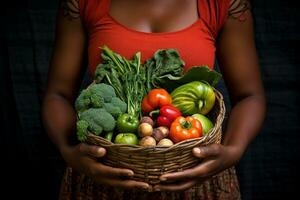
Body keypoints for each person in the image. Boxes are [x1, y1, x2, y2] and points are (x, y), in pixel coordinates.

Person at [42, 0, 266, 199]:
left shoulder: (226, 4)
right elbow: (57, 94)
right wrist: (68, 150)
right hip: (102, 177)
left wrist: (233, 150)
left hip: (196, 176)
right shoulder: (80, 3)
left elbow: (250, 96)